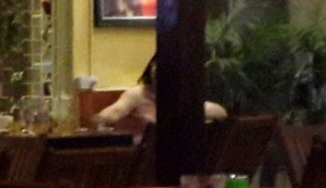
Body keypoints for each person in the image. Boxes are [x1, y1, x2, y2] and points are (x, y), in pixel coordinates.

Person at [94, 56, 228, 135]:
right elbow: (108, 115)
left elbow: (220, 113)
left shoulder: (184, 96)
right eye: (157, 64)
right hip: (142, 157)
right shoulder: (137, 94)